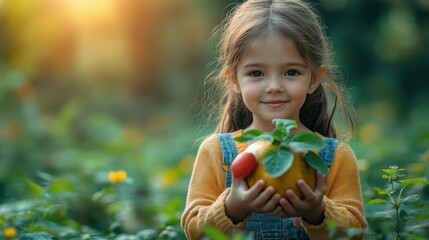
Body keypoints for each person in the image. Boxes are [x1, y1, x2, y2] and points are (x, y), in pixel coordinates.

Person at [181, 0, 367, 239]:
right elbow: (195, 230)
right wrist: (233, 206)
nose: (274, 86)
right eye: (256, 73)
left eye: (292, 72)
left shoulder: (335, 157)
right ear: (234, 79)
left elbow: (355, 232)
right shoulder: (217, 153)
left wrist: (318, 213)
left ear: (314, 78)